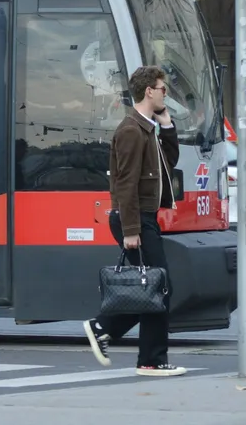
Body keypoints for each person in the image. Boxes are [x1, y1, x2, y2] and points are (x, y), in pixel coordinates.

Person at [82, 65, 189, 376]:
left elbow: (167, 165)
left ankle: (112, 333)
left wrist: (167, 127)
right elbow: (125, 183)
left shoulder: (146, 129)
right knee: (159, 286)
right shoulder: (130, 131)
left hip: (144, 217)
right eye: (163, 88)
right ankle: (145, 356)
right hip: (135, 219)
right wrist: (131, 230)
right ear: (149, 92)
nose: (165, 93)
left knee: (155, 286)